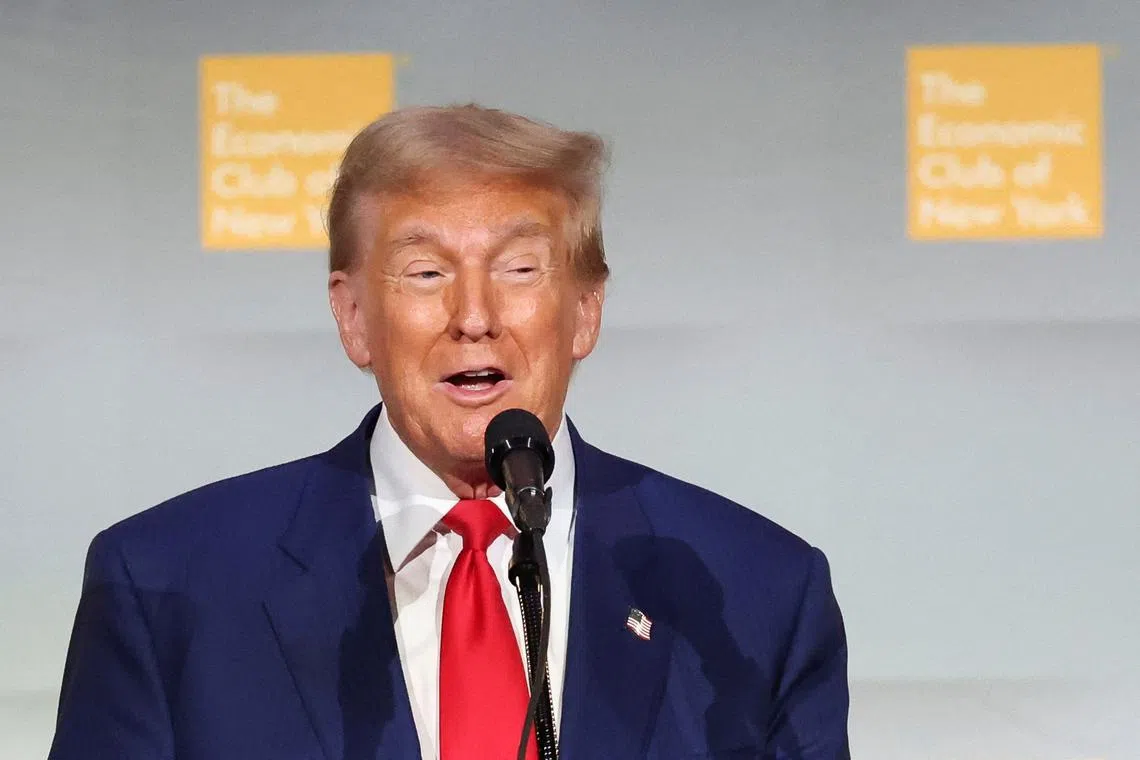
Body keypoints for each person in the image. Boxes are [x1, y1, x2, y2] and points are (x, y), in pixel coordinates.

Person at [48, 104, 850, 759]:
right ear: (354, 316)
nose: (474, 318)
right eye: (426, 273)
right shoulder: (167, 587)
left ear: (586, 311)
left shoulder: (757, 594)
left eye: (519, 269)